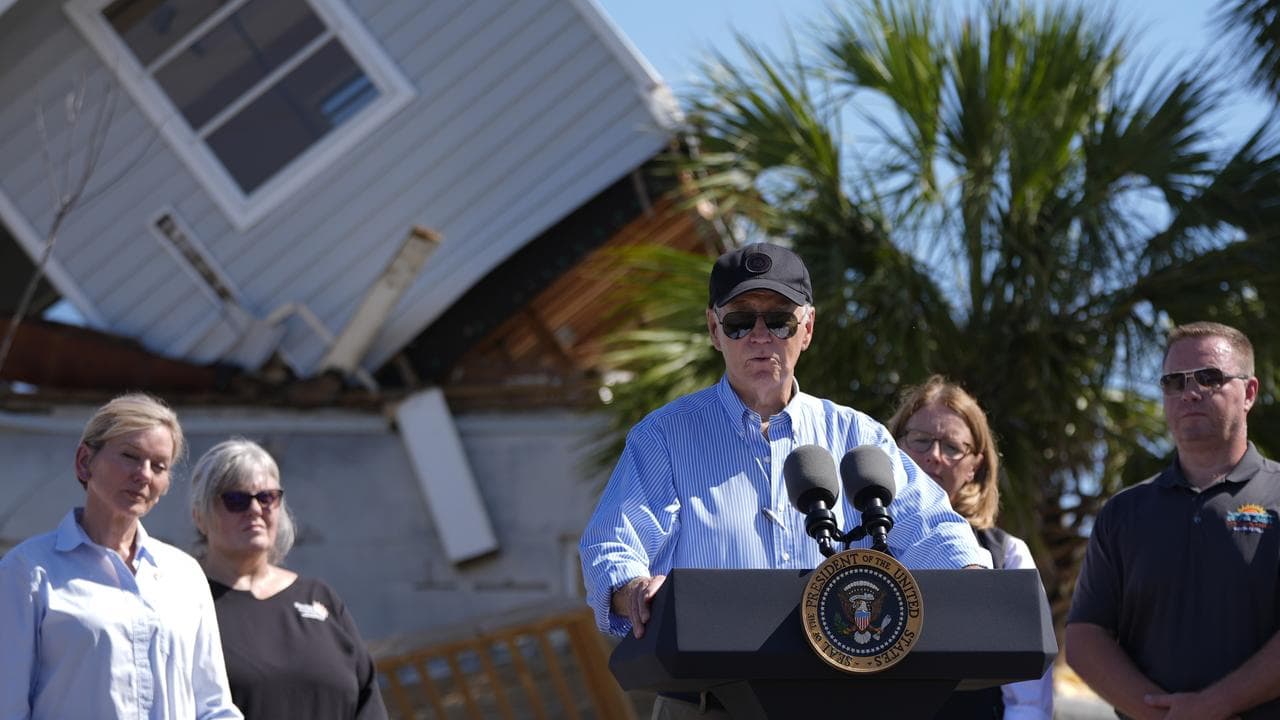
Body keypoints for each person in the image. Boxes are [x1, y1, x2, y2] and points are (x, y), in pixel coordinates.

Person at [579, 242, 987, 718]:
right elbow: (611, 544)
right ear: (714, 330)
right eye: (738, 321)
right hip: (709, 702)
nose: (759, 336)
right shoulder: (664, 437)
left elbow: (935, 529)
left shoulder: (858, 435)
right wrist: (633, 589)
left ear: (807, 329)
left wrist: (972, 579)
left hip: (847, 697)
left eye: (779, 320)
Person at [1066, 321, 1280, 719]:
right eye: (1173, 382)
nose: (1190, 392)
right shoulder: (1123, 513)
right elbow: (1084, 636)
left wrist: (1214, 706)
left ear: (1249, 392)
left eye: (1208, 377)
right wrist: (1162, 714)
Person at [0, 393, 242, 719]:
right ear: (85, 461)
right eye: (130, 456)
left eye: (159, 466)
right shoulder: (28, 570)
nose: (143, 474)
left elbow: (213, 706)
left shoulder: (184, 574)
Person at [887, 375, 1053, 719]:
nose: (934, 457)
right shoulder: (859, 542)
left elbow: (1028, 699)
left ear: (974, 465)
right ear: (894, 446)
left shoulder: (1005, 554)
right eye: (920, 440)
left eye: (951, 447)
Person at [189, 438, 387, 720]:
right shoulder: (185, 600)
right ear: (200, 516)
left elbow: (368, 700)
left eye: (267, 497)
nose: (255, 510)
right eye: (236, 500)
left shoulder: (319, 597)